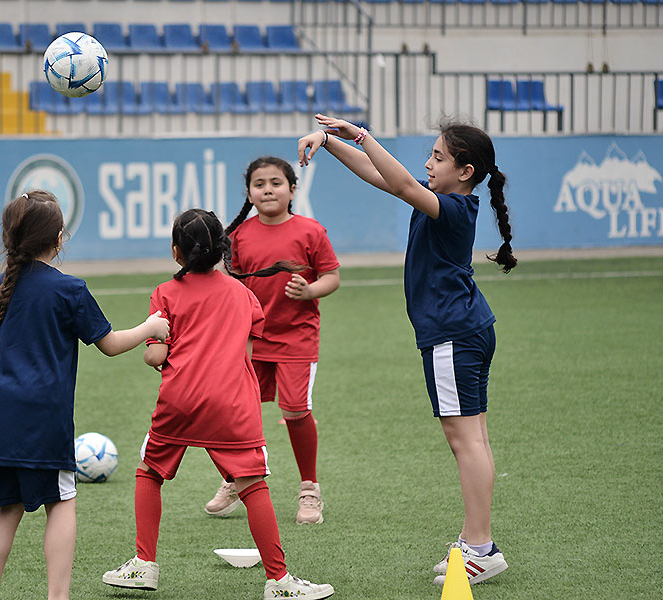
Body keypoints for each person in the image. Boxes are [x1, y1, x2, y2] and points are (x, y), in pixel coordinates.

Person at [298, 116, 516, 586]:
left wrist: (360, 134)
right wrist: (331, 142)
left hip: (452, 335)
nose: (429, 164)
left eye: (438, 157)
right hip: (466, 329)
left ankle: (480, 548)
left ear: (466, 171)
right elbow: (380, 175)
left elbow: (397, 181)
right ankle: (475, 541)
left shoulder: (452, 208)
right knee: (474, 439)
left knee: (466, 442)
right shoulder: (441, 199)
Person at [101, 208, 334, 600]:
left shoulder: (165, 293)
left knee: (150, 472)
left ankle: (143, 564)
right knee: (252, 485)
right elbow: (247, 348)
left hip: (179, 401)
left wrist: (154, 350)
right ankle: (279, 581)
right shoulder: (244, 295)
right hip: (233, 405)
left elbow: (156, 355)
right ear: (223, 250)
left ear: (176, 252)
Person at [0, 190, 170, 600]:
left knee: (5, 510)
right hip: (42, 420)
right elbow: (110, 344)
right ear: (58, 238)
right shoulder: (69, 289)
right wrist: (151, 327)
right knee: (61, 503)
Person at [204, 156, 340, 525]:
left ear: (292, 190)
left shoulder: (311, 231)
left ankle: (309, 488)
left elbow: (331, 277)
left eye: (276, 183)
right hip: (250, 340)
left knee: (295, 410)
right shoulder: (238, 236)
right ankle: (237, 478)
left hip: (297, 339)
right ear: (249, 193)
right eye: (259, 184)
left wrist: (309, 290)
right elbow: (227, 285)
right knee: (239, 412)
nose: (268, 189)